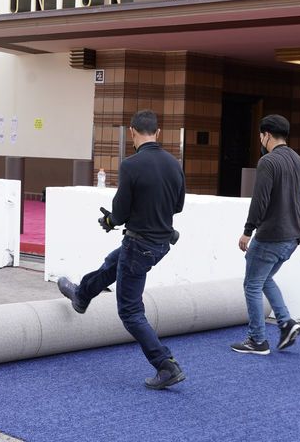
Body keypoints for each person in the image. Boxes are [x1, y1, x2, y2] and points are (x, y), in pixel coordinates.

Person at [56, 109, 186, 390]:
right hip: (160, 244)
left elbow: (120, 212)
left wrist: (109, 221)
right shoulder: (174, 164)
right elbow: (177, 206)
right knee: (112, 264)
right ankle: (81, 295)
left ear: (131, 132)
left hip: (139, 244)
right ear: (158, 132)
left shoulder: (131, 165)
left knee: (129, 311)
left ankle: (166, 365)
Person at [232, 114, 300, 355]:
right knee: (264, 279)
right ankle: (286, 323)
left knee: (252, 284)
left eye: (260, 136)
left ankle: (257, 340)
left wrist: (247, 231)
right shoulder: (299, 162)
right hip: (293, 236)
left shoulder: (268, 162)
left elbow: (260, 201)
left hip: (271, 235)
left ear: (266, 135)